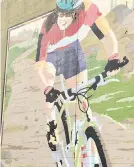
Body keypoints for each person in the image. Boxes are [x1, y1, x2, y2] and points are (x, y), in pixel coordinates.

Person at [35, 0, 120, 151]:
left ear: (79, 10)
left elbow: (106, 34)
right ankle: (51, 125)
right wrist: (48, 87)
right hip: (51, 56)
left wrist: (113, 57)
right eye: (59, 12)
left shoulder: (89, 9)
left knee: (81, 95)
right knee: (48, 90)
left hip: (72, 53)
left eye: (68, 14)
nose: (62, 18)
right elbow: (40, 64)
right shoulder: (48, 25)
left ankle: (87, 142)